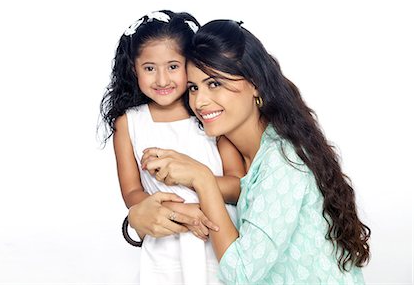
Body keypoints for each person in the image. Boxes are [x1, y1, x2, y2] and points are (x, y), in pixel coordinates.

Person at [134, 19, 371, 284]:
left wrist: (202, 179)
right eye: (194, 87)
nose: (200, 101)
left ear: (255, 83)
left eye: (215, 84)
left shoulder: (283, 159)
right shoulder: (231, 152)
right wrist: (135, 219)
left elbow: (241, 273)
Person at [99, 11, 244, 285]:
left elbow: (238, 185)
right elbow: (131, 192)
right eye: (150, 68)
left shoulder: (210, 114)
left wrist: (199, 192)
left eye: (173, 66)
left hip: (217, 232)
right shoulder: (129, 123)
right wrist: (179, 214)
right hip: (165, 241)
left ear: (190, 64)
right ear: (134, 69)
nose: (162, 80)